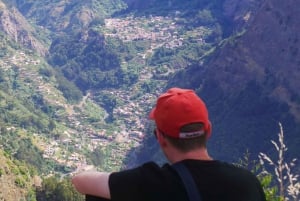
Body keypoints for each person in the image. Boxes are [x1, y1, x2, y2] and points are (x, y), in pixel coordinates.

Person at [72, 87, 266, 201]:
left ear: (160, 138)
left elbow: (80, 182)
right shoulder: (247, 183)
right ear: (209, 130)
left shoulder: (152, 182)